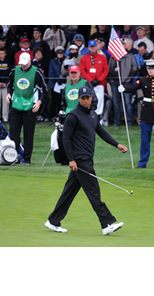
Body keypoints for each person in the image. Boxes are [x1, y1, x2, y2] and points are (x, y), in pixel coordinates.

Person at [45, 86, 128, 235]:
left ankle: (53, 221)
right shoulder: (73, 116)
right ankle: (107, 223)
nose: (85, 100)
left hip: (87, 158)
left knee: (68, 192)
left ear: (91, 98)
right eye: (82, 98)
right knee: (93, 192)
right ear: (78, 99)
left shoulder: (92, 114)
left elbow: (101, 132)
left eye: (87, 98)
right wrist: (71, 160)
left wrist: (117, 145)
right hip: (80, 160)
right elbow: (66, 138)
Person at [118, 59, 154, 169]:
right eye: (148, 68)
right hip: (146, 112)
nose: (150, 70)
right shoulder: (143, 80)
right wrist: (124, 89)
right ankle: (142, 162)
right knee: (145, 140)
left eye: (152, 68)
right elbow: (133, 88)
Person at [6, 52, 48, 164]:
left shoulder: (37, 72)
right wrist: (8, 94)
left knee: (28, 134)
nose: (23, 66)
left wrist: (39, 103)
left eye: (25, 63)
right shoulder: (15, 70)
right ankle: (14, 157)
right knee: (14, 133)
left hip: (30, 107)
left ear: (30, 61)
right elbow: (9, 84)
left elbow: (44, 89)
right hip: (15, 105)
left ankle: (27, 159)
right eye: (22, 64)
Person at [108, 39, 138, 127]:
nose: (121, 45)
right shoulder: (113, 56)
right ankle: (117, 121)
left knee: (128, 103)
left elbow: (135, 68)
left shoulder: (130, 55)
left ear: (125, 46)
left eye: (123, 44)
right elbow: (109, 68)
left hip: (126, 82)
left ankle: (129, 121)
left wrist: (129, 78)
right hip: (115, 81)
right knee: (116, 103)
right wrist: (111, 79)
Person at [79, 40, 109, 117]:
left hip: (99, 83)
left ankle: (98, 116)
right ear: (88, 47)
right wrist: (91, 80)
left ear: (97, 47)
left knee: (100, 100)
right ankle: (88, 115)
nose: (93, 48)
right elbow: (82, 71)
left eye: (94, 46)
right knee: (88, 99)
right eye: (91, 47)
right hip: (88, 83)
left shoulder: (103, 58)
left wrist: (99, 80)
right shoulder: (84, 58)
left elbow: (106, 70)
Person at [48, 46, 65, 118]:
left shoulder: (65, 60)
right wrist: (56, 80)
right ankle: (53, 116)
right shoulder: (52, 61)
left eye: (61, 53)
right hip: (55, 84)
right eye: (59, 53)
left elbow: (67, 72)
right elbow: (51, 73)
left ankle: (62, 115)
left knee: (62, 100)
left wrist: (63, 79)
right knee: (54, 100)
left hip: (64, 83)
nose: (60, 55)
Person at [0, 47, 12, 122]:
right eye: (0, 54)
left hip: (5, 85)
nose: (1, 55)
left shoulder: (8, 63)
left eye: (2, 53)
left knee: (5, 101)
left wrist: (6, 83)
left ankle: (5, 116)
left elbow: (10, 74)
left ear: (5, 54)